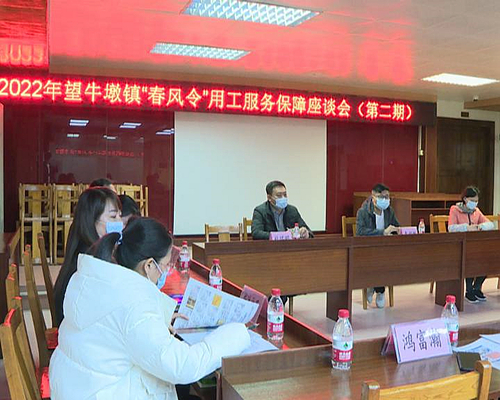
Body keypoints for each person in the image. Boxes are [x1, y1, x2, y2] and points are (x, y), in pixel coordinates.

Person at [49, 218, 250, 400]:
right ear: (149, 266)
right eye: (166, 265)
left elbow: (118, 325)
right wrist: (237, 333)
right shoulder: (134, 305)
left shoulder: (96, 279)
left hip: (78, 387)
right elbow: (183, 366)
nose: (166, 271)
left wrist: (160, 316)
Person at [53, 187, 122, 326]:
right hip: (78, 332)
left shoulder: (82, 249)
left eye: (120, 216)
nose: (120, 222)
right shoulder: (90, 262)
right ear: (92, 220)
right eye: (113, 217)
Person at [356, 183, 400, 308]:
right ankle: (380, 290)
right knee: (378, 260)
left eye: (387, 197)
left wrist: (396, 230)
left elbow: (396, 225)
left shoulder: (389, 211)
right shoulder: (363, 212)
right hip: (367, 249)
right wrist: (382, 232)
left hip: (385, 249)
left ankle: (374, 287)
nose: (385, 200)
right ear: (373, 197)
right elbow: (360, 232)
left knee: (388, 260)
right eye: (382, 197)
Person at [448, 186, 494, 303]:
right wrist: (467, 228)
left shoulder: (476, 211)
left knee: (488, 260)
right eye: (472, 200)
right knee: (470, 260)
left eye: (476, 201)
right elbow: (451, 228)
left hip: (475, 245)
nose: (474, 203)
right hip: (459, 246)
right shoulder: (455, 209)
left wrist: (481, 226)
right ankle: (469, 291)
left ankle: (476, 288)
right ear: (465, 199)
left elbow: (490, 224)